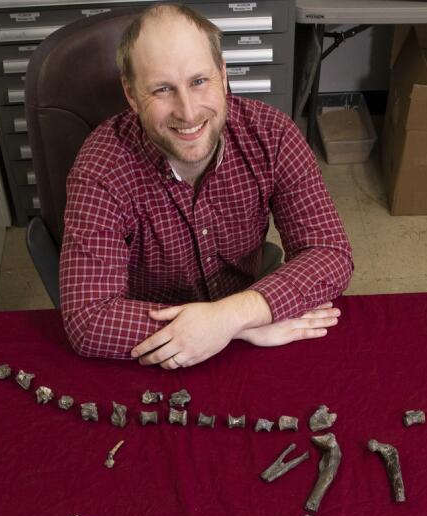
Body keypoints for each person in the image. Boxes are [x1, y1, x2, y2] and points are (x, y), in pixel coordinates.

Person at [58, 3, 353, 369]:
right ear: (132, 95)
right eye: (163, 89)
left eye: (200, 81)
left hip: (240, 311)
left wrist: (230, 318)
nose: (188, 111)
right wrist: (238, 328)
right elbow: (87, 320)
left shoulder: (273, 135)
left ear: (223, 75)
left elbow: (329, 252)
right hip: (158, 349)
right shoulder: (101, 166)